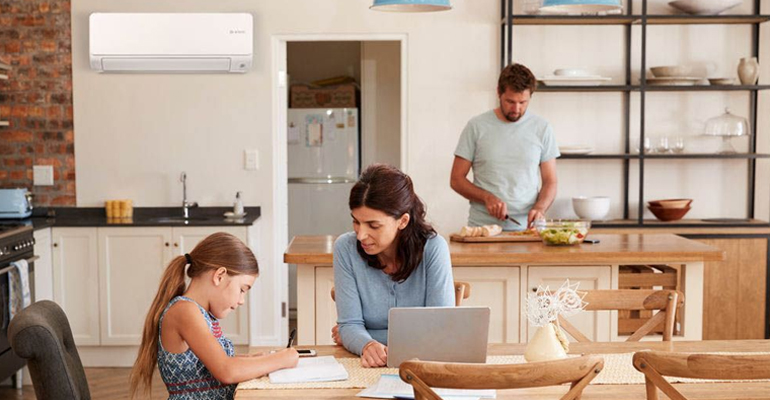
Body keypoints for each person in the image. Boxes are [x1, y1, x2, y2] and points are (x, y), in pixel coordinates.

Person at [129, 232, 298, 399]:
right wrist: (282, 359)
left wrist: (253, 359)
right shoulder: (184, 311)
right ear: (219, 276)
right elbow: (226, 370)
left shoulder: (201, 314)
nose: (242, 301)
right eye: (242, 290)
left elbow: (208, 366)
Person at [333, 164, 455, 368]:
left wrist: (362, 336)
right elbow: (350, 325)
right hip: (368, 366)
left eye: (373, 225)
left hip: (423, 366)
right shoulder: (345, 248)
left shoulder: (433, 248)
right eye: (356, 222)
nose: (361, 235)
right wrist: (365, 343)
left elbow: (440, 330)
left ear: (403, 221)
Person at [450, 63, 559, 230]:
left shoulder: (542, 128)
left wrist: (540, 208)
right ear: (498, 93)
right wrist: (487, 197)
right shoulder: (476, 127)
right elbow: (456, 179)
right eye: (510, 101)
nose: (516, 109)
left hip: (528, 230)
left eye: (523, 102)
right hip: (483, 229)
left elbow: (550, 181)